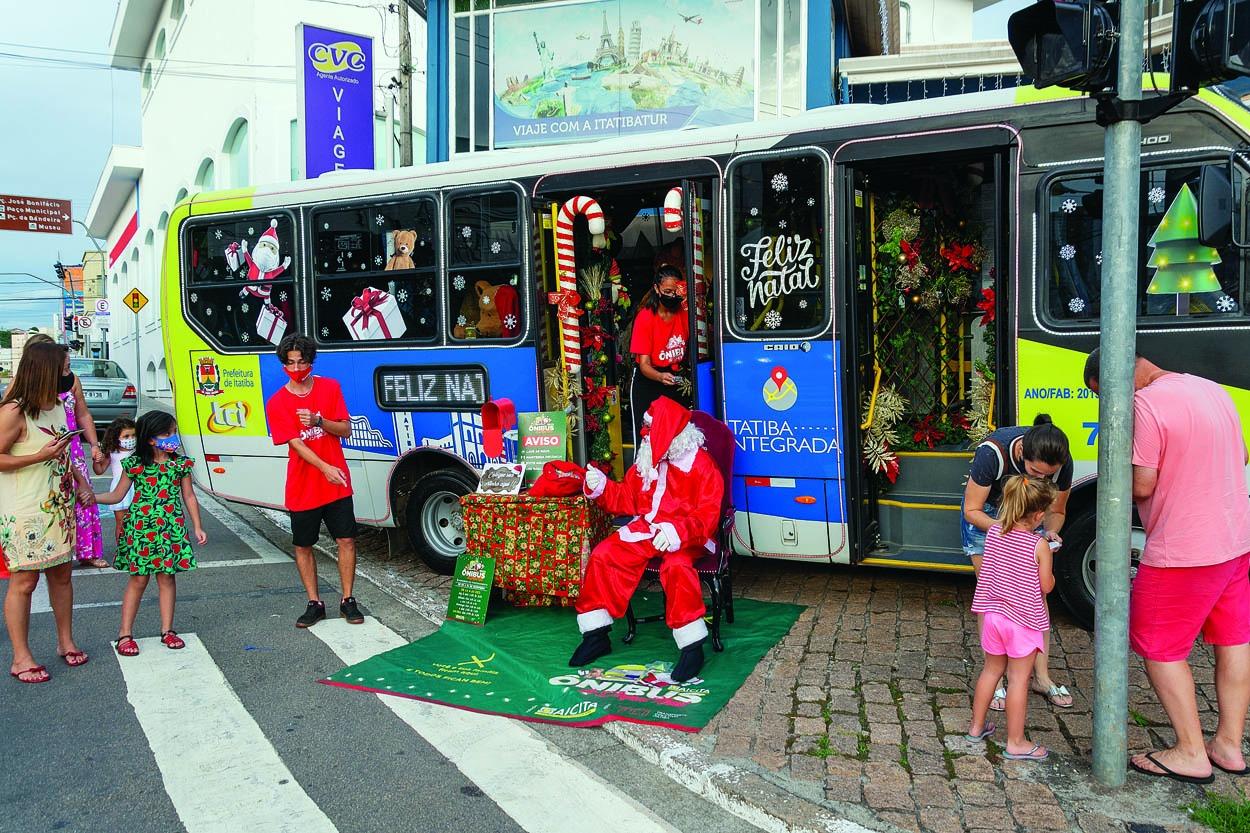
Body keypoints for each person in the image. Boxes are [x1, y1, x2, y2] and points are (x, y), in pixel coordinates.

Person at [1084, 350, 1250, 784]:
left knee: (1158, 645)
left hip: (1184, 548)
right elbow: (1244, 454)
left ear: (1116, 383)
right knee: (1232, 640)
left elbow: (1142, 482)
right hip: (1234, 539)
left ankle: (1191, 751)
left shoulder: (1144, 404)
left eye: (1104, 398)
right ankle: (1229, 745)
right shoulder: (1210, 389)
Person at [570, 396, 722, 683]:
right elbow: (627, 499)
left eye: (650, 431)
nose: (645, 436)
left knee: (676, 567)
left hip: (688, 537)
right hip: (649, 530)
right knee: (605, 554)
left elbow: (708, 516)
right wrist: (602, 488)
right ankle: (596, 635)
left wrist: (678, 532)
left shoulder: (701, 465)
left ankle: (692, 647)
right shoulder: (647, 459)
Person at [961, 414, 1074, 711]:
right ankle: (996, 679)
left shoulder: (1059, 461)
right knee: (993, 596)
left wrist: (1049, 531)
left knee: (1036, 596)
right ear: (1022, 452)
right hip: (988, 518)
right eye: (1036, 472)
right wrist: (1007, 532)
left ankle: (1041, 676)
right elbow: (971, 509)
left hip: (1027, 521)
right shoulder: (992, 453)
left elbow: (1057, 511)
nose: (1042, 480)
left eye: (1048, 477)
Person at [0, 340, 94, 682]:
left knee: (62, 575)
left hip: (58, 506)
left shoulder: (55, 406)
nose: (69, 375)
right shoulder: (13, 411)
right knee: (24, 581)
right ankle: (21, 657)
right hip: (25, 509)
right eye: (64, 369)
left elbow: (62, 451)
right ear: (45, 372)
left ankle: (65, 641)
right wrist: (36, 458)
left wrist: (82, 482)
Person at [264, 333, 363, 628]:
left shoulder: (329, 387)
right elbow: (295, 443)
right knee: (303, 545)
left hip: (336, 481)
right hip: (303, 484)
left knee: (346, 539)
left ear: (311, 361)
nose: (296, 368)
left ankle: (347, 600)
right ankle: (314, 603)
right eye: (291, 363)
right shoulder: (278, 402)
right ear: (284, 364)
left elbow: (345, 429)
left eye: (302, 362)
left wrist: (319, 420)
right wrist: (324, 468)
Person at [97, 411, 206, 655]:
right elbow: (116, 495)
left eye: (174, 432)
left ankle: (168, 630)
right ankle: (125, 634)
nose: (173, 438)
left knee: (167, 577)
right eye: (167, 433)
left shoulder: (180, 464)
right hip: (141, 529)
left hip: (170, 528)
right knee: (138, 579)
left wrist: (197, 525)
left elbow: (188, 495)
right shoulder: (135, 464)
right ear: (150, 439)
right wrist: (91, 498)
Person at [966, 475, 1058, 762]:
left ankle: (976, 727)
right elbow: (1045, 586)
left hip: (993, 616)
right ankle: (1016, 741)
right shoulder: (1038, 546)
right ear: (1039, 515)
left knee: (991, 672)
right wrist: (1052, 570)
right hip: (1022, 621)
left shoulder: (994, 533)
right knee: (1018, 679)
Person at [24, 334, 107, 567]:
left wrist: (94, 444)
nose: (67, 366)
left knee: (84, 496)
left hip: (73, 449)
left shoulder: (71, 381)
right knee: (46, 500)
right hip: (43, 450)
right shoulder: (28, 384)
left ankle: (88, 551)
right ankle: (42, 551)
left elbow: (83, 414)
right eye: (64, 362)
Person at [629, 266, 691, 445]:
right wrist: (660, 376)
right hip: (649, 380)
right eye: (667, 292)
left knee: (679, 438)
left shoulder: (684, 313)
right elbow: (644, 365)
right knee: (646, 440)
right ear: (657, 289)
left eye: (675, 291)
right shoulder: (646, 317)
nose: (672, 296)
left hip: (676, 379)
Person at [93, 417, 137, 543]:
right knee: (121, 523)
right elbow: (99, 470)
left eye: (133, 435)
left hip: (137, 487)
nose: (131, 439)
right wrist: (96, 461)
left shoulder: (138, 451)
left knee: (138, 522)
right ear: (116, 437)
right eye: (126, 436)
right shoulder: (112, 452)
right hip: (119, 489)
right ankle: (122, 551)